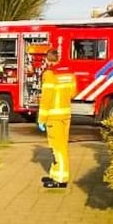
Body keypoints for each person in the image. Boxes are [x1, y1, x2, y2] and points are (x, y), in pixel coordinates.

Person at [37, 49, 75, 189]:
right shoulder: (68, 74)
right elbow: (73, 92)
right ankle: (55, 173)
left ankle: (60, 179)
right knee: (62, 146)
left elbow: (46, 98)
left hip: (53, 116)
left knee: (56, 148)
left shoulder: (49, 74)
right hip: (66, 114)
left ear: (48, 60)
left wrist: (41, 118)